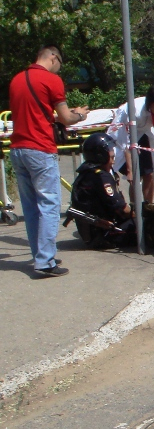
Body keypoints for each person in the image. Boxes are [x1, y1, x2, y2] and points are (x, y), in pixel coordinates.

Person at [8, 44, 89, 277]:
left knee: (31, 208)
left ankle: (41, 254)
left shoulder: (16, 80)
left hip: (18, 149)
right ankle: (45, 261)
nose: (58, 70)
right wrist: (80, 114)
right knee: (50, 205)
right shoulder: (51, 80)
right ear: (53, 58)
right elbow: (66, 118)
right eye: (59, 64)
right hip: (40, 149)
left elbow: (33, 112)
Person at [107, 84, 154, 204]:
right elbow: (127, 143)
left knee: (150, 173)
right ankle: (135, 209)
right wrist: (130, 171)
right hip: (123, 135)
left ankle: (148, 206)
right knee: (136, 177)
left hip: (144, 133)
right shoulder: (135, 111)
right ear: (149, 105)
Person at [68, 132, 135, 249]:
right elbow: (122, 209)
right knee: (146, 222)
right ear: (100, 155)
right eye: (109, 150)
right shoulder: (101, 177)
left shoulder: (85, 173)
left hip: (94, 234)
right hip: (106, 235)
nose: (113, 156)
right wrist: (138, 214)